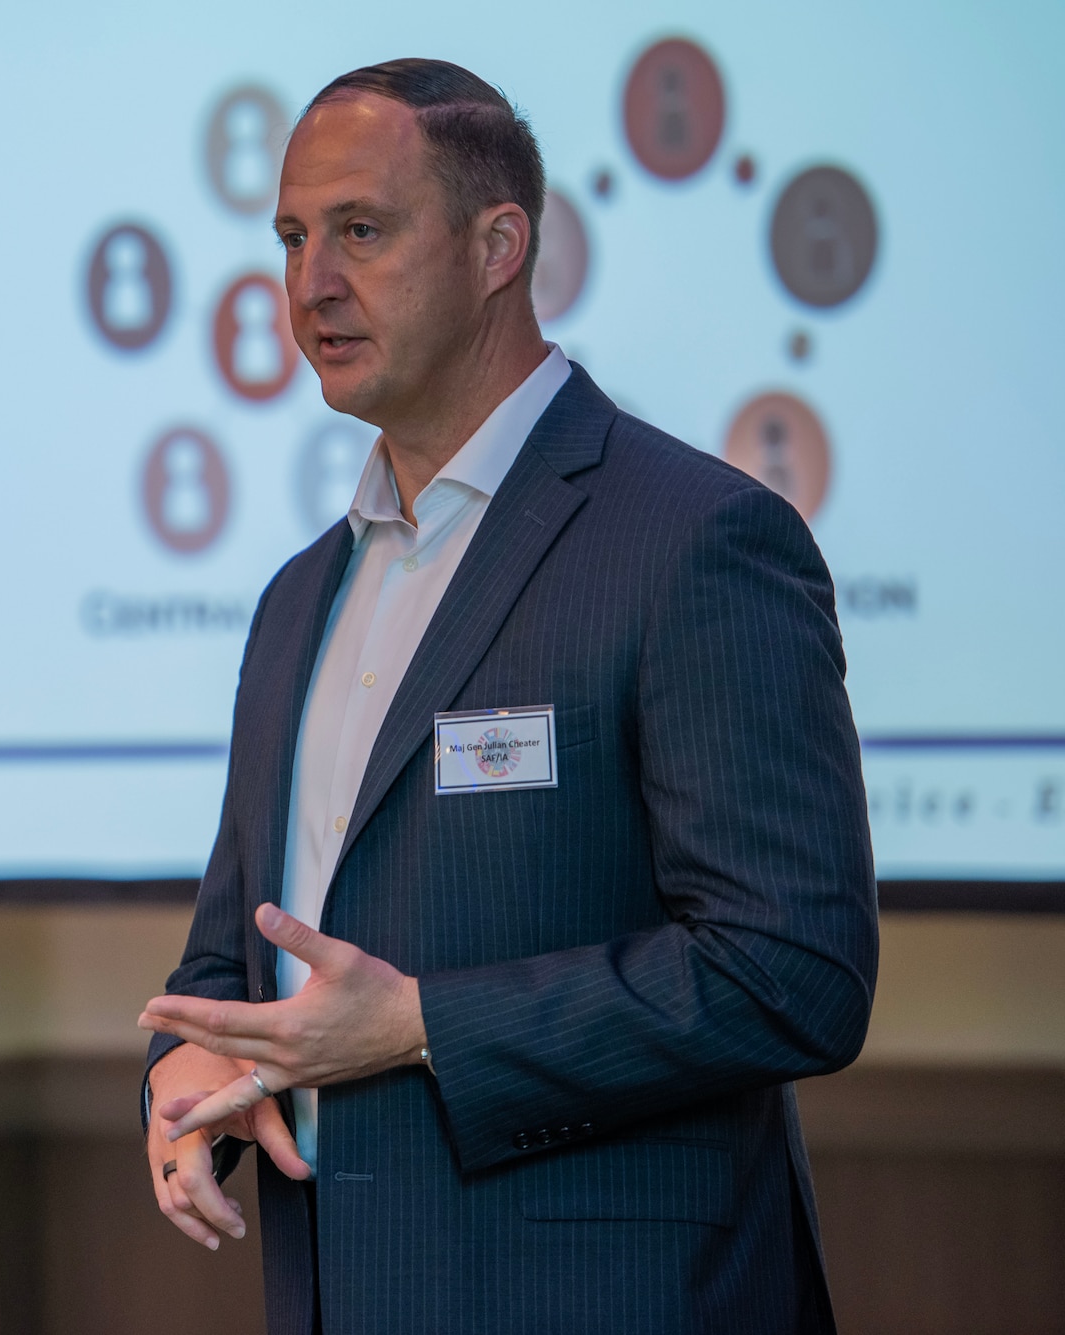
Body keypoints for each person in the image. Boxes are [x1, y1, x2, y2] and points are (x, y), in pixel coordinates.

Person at [137, 58, 877, 1334]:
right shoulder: (293, 601)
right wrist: (194, 1067)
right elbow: (232, 958)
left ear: (496, 247)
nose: (310, 283)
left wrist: (422, 1026)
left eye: (360, 231)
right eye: (293, 238)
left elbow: (790, 969)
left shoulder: (693, 541)